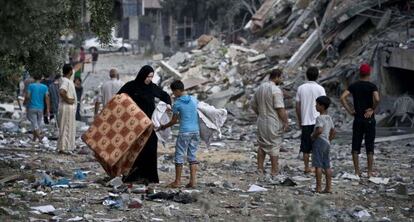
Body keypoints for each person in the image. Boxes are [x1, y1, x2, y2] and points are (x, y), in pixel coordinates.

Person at [117, 65, 171, 183]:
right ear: (142, 75)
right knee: (135, 148)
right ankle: (133, 175)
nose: (149, 79)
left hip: (149, 124)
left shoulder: (152, 87)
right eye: (147, 77)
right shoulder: (131, 86)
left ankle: (149, 177)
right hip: (135, 124)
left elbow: (165, 95)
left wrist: (168, 104)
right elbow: (119, 98)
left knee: (150, 147)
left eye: (151, 77)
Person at [340, 63, 380, 178]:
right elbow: (377, 98)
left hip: (358, 119)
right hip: (369, 120)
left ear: (359, 73)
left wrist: (350, 111)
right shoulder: (372, 86)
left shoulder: (354, 85)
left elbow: (342, 97)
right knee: (369, 145)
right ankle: (369, 172)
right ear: (369, 73)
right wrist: (372, 109)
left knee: (355, 145)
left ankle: (357, 172)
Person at [159, 80, 200, 188]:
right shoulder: (194, 99)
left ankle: (177, 181)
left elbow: (174, 121)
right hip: (196, 131)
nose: (173, 94)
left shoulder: (177, 103)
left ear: (177, 91)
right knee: (192, 155)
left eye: (173, 92)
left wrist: (163, 126)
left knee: (179, 155)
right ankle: (193, 182)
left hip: (185, 131)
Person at [251, 69, 289, 177]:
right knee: (274, 145)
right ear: (276, 77)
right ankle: (274, 170)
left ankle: (260, 169)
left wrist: (260, 114)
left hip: (261, 120)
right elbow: (280, 108)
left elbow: (253, 104)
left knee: (262, 144)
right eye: (281, 77)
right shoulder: (275, 90)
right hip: (273, 121)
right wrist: (286, 121)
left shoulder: (260, 88)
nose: (281, 80)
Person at [295, 67, 326, 174]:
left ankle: (307, 167)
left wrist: (299, 120)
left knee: (305, 146)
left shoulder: (301, 88)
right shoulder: (321, 89)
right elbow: (324, 105)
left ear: (306, 75)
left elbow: (297, 106)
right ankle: (318, 167)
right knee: (318, 145)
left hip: (305, 121)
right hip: (318, 121)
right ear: (317, 76)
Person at [311, 96, 335, 193]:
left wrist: (313, 136)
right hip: (327, 143)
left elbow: (319, 130)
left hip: (319, 141)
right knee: (327, 165)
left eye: (317, 104)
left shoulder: (319, 118)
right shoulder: (329, 118)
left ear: (322, 106)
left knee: (318, 165)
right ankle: (328, 188)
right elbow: (333, 131)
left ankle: (318, 187)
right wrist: (329, 139)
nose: (315, 106)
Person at [23, 73, 50, 142]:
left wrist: (25, 102)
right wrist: (47, 109)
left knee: (34, 124)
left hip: (32, 107)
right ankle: (34, 139)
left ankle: (39, 137)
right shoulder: (45, 87)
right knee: (37, 124)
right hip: (41, 108)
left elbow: (28, 96)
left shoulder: (31, 86)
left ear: (34, 78)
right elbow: (47, 98)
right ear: (41, 78)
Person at [58, 64, 77, 154]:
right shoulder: (65, 81)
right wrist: (68, 100)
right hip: (66, 107)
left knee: (66, 126)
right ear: (70, 71)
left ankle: (65, 147)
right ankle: (63, 148)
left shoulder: (67, 80)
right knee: (66, 126)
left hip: (67, 107)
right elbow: (62, 91)